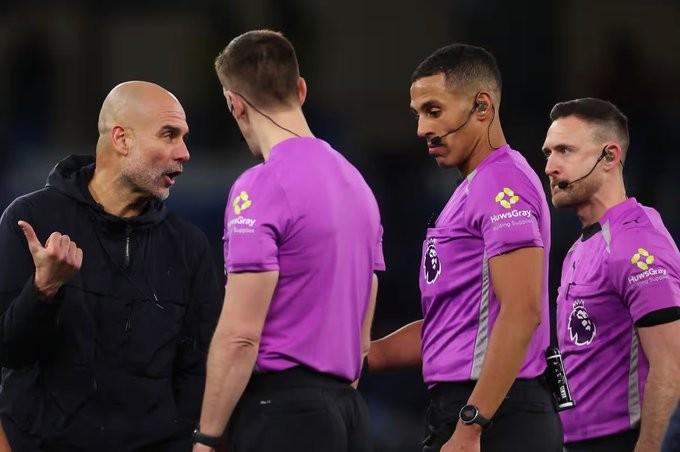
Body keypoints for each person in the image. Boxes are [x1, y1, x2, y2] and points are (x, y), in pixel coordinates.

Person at [0, 81, 221, 451]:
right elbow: (9, 351)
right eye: (169, 135)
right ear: (121, 139)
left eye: (184, 137)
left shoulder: (188, 246)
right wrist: (43, 290)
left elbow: (198, 369)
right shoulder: (30, 219)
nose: (184, 152)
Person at [191, 30, 384, 452]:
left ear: (235, 104)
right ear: (301, 89)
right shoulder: (358, 185)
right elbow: (363, 327)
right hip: (349, 415)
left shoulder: (260, 186)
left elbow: (241, 336)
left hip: (285, 413)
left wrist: (206, 437)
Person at [367, 43, 562, 451]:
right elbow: (452, 327)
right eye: (418, 114)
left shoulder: (502, 184)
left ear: (482, 107)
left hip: (495, 416)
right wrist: (365, 355)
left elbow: (522, 310)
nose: (422, 129)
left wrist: (472, 425)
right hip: (472, 409)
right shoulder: (472, 188)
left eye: (433, 111)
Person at [542, 97, 680, 452]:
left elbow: (672, 367)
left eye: (565, 151)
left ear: (609, 156)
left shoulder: (637, 243)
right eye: (548, 153)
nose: (550, 167)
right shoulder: (580, 247)